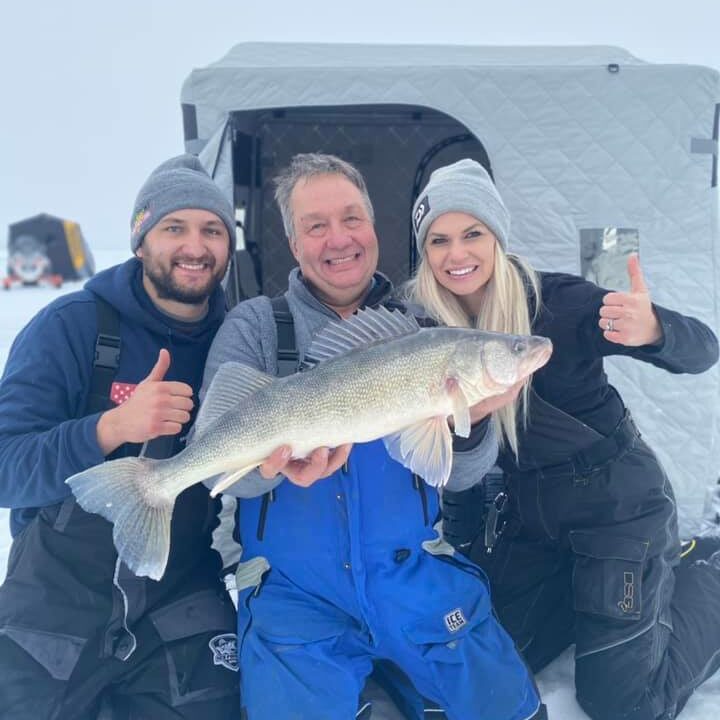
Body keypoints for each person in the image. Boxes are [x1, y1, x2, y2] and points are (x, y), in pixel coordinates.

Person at [201, 152, 545, 720]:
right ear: (293, 243)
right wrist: (270, 468)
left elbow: (459, 475)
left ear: (374, 226)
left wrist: (473, 418)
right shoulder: (258, 327)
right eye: (316, 225)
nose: (339, 239)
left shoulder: (426, 323)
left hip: (414, 577)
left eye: (352, 218)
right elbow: (216, 466)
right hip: (297, 597)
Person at [407, 158, 720, 720]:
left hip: (617, 514)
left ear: (497, 237)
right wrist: (464, 550)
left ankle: (709, 571)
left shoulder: (557, 303)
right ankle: (598, 603)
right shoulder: (425, 333)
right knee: (485, 660)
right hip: (532, 525)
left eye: (472, 233)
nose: (457, 254)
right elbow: (456, 462)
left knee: (624, 704)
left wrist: (656, 332)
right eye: (439, 239)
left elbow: (704, 350)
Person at [0, 154, 240, 719]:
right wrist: (110, 428)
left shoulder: (239, 340)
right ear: (140, 239)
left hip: (180, 596)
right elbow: (6, 468)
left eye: (212, 230)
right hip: (56, 603)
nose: (195, 246)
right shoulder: (71, 326)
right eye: (173, 228)